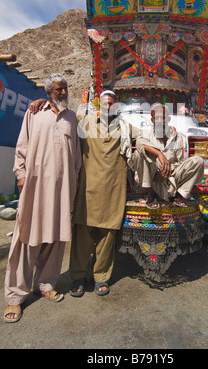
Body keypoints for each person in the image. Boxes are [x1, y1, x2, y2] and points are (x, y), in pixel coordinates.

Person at [3, 74, 81, 323]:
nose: (63, 92)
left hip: (62, 189)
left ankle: (45, 284)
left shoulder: (71, 117)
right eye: (59, 89)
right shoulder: (34, 112)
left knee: (56, 238)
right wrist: (21, 174)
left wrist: (74, 181)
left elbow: (76, 157)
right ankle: (15, 297)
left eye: (65, 88)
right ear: (49, 92)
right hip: (36, 186)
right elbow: (22, 146)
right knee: (27, 238)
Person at [69, 90, 132, 297]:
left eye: (112, 104)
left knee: (107, 236)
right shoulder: (85, 122)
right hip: (88, 191)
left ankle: (101, 277)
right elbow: (63, 119)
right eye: (105, 104)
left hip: (112, 192)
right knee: (82, 234)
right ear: (99, 105)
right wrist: (44, 102)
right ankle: (78, 276)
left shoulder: (124, 127)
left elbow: (146, 139)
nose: (108, 107)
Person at [132, 103, 204, 209]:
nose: (160, 121)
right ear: (152, 120)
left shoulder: (176, 137)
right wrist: (159, 154)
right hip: (154, 178)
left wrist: (166, 170)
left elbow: (179, 162)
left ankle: (180, 195)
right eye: (157, 118)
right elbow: (139, 144)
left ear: (168, 119)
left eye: (163, 117)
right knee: (138, 154)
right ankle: (150, 194)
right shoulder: (146, 134)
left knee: (198, 161)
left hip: (171, 177)